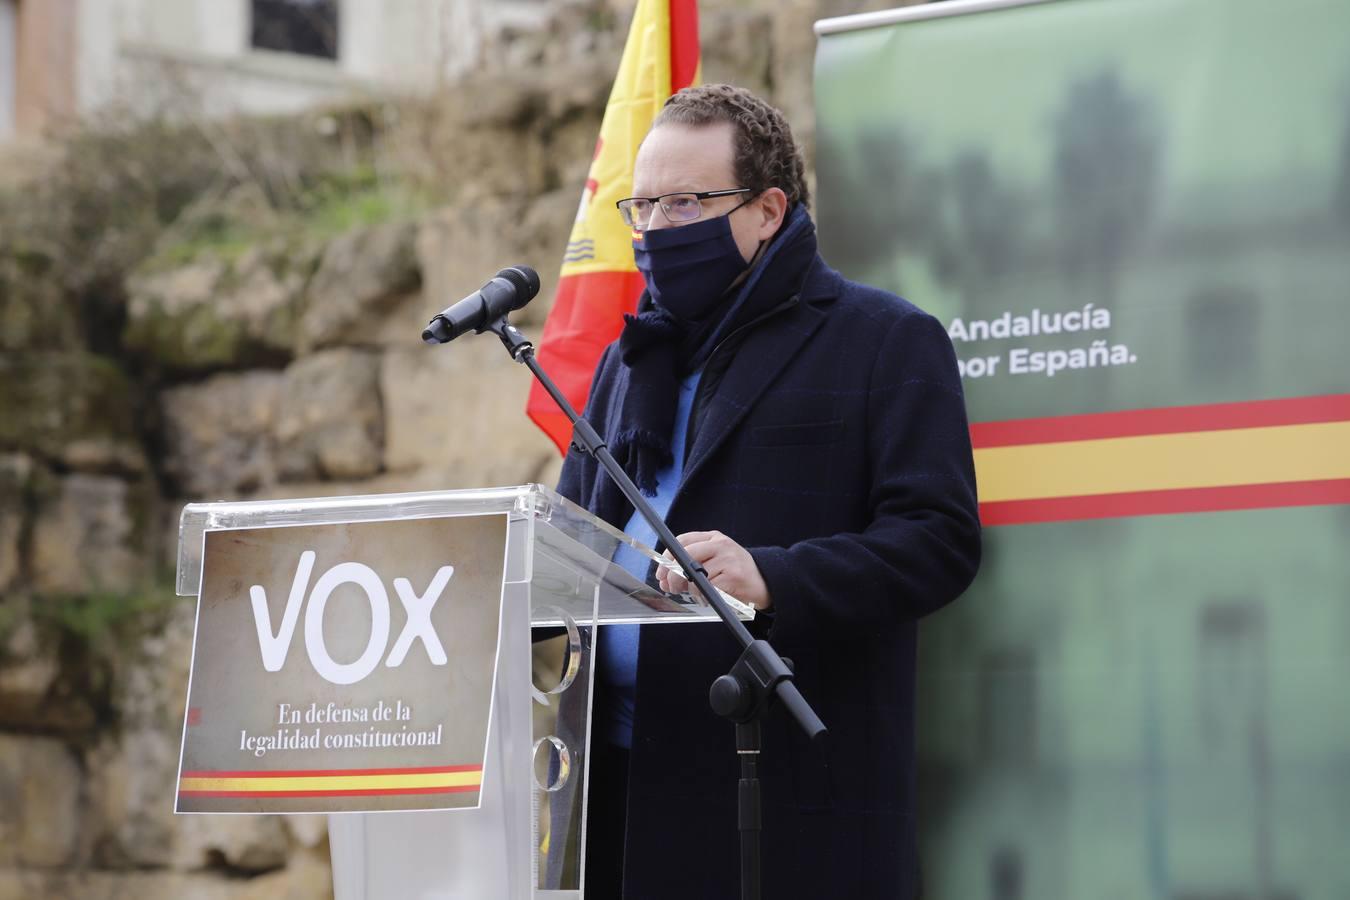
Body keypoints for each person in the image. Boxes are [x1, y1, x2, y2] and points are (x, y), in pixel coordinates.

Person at [556, 84, 981, 900]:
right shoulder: (626, 359)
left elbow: (939, 541)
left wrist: (775, 575)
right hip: (617, 792)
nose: (653, 231)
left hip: (785, 801)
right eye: (641, 207)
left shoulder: (885, 341)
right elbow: (571, 537)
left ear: (767, 210)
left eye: (685, 203)